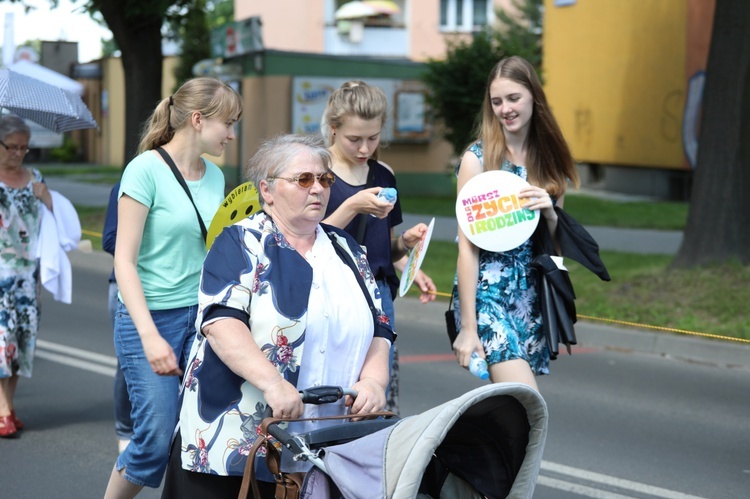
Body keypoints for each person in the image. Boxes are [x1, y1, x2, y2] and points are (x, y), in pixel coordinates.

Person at [161, 134, 393, 498]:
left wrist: (375, 383)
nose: (317, 188)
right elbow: (221, 324)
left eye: (325, 179)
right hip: (236, 448)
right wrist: (272, 383)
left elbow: (381, 327)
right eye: (304, 179)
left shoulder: (347, 249)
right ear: (267, 190)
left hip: (325, 449)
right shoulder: (241, 242)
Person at [104, 77, 242, 498]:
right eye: (228, 123)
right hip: (151, 318)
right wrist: (149, 337)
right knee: (155, 437)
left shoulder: (216, 177)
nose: (233, 135)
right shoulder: (145, 169)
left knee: (199, 434)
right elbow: (123, 260)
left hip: (200, 319)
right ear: (198, 120)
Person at [451, 56, 580, 390]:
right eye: (496, 101)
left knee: (513, 412)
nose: (504, 109)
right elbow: (466, 248)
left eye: (513, 98)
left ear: (534, 98)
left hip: (529, 298)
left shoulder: (551, 164)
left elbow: (554, 250)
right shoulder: (477, 160)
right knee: (526, 399)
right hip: (487, 295)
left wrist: (550, 213)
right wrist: (468, 326)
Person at [320, 80, 436, 414]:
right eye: (354, 139)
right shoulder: (317, 173)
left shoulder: (384, 174)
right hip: (333, 294)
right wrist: (352, 206)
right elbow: (306, 243)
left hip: (379, 294)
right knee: (332, 387)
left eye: (373, 138)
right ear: (333, 129)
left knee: (377, 392)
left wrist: (408, 249)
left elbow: (384, 247)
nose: (364, 148)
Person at [0, 115, 53, 438]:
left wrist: (46, 197)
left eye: (24, 147)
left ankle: (9, 405)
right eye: (12, 147)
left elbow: (54, 222)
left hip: (27, 275)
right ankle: (3, 410)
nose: (18, 153)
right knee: (2, 342)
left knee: (21, 341)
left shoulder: (35, 178)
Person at [102, 181, 133, 454]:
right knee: (128, 364)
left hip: (181, 291)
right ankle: (125, 430)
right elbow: (109, 239)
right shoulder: (128, 182)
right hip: (126, 287)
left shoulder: (207, 180)